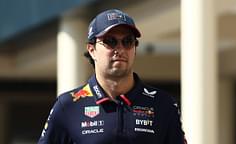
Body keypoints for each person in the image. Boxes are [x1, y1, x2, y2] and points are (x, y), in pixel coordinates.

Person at [38, 9, 187, 144]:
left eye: (127, 41)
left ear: (134, 48)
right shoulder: (68, 106)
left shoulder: (163, 105)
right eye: (110, 41)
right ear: (92, 50)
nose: (120, 49)